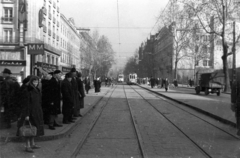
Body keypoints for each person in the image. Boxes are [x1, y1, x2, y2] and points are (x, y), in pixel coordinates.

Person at [17, 76, 44, 153]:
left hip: (36, 111)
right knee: (29, 129)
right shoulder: (28, 90)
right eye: (34, 81)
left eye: (37, 81)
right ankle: (27, 146)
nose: (36, 83)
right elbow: (26, 104)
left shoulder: (37, 90)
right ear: (31, 82)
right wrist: (27, 114)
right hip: (30, 112)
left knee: (33, 129)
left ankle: (33, 144)